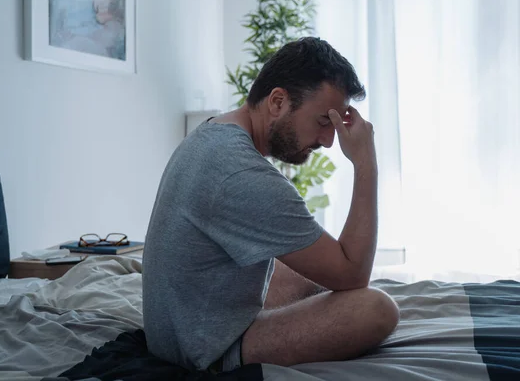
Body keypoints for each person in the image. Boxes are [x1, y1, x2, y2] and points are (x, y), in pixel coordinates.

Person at [142, 37, 400, 373]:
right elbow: (353, 274)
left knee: (306, 273)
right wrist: (366, 163)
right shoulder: (240, 173)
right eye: (324, 122)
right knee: (376, 309)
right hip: (203, 348)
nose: (328, 141)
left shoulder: (215, 133)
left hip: (179, 324)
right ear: (277, 101)